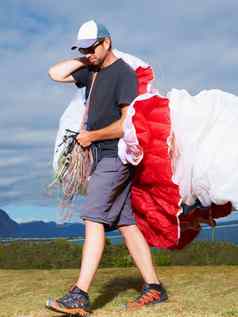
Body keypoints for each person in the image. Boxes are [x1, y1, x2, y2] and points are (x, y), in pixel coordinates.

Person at [46, 20, 168, 316]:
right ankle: (154, 286)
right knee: (126, 223)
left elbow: (127, 125)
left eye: (92, 47)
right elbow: (55, 73)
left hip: (116, 155)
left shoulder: (123, 74)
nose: (87, 54)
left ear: (107, 42)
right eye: (83, 48)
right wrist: (84, 56)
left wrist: (92, 136)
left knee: (92, 217)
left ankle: (80, 294)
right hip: (100, 156)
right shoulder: (91, 71)